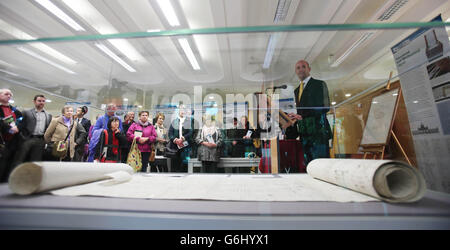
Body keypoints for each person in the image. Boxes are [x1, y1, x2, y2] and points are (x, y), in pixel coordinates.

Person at [287, 59, 332, 165]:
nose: (301, 69)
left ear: (309, 69)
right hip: (304, 134)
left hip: (318, 132)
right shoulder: (297, 90)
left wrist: (303, 115)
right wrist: (294, 118)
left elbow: (325, 107)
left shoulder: (319, 84)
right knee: (309, 166)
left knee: (322, 165)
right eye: (298, 68)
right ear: (295, 71)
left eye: (303, 66)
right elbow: (300, 112)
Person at [12, 94, 52, 167]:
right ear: (34, 101)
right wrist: (22, 138)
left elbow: (48, 128)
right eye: (39, 101)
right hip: (27, 139)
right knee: (20, 159)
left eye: (43, 101)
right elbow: (19, 126)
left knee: (36, 161)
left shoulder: (48, 115)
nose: (41, 102)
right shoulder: (26, 112)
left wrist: (45, 141)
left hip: (40, 140)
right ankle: (13, 175)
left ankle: (31, 177)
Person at [0, 89, 23, 182]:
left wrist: (17, 127)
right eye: (6, 94)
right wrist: (8, 128)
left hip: (14, 140)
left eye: (10, 95)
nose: (9, 96)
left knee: (11, 160)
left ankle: (7, 180)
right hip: (2, 139)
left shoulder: (15, 110)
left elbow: (21, 120)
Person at [168, 105, 193, 173]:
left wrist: (183, 138)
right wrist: (175, 140)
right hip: (175, 146)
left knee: (184, 164)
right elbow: (170, 133)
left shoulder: (188, 121)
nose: (182, 111)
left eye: (184, 110)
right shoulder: (174, 121)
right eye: (181, 110)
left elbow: (190, 132)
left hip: (185, 146)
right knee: (175, 164)